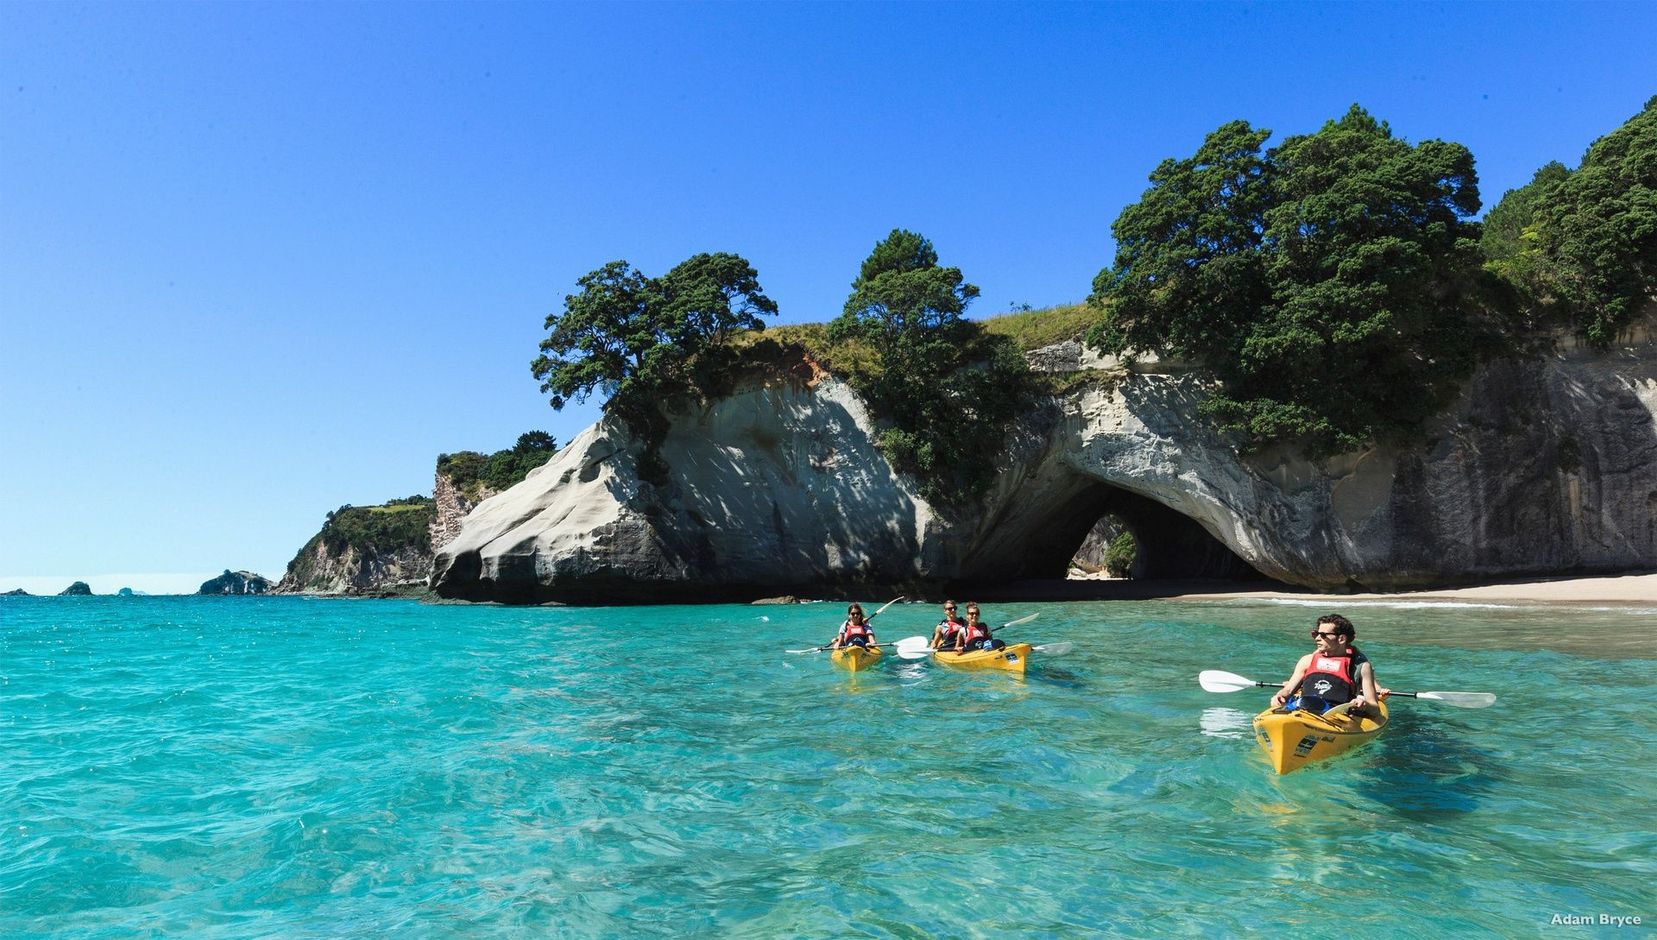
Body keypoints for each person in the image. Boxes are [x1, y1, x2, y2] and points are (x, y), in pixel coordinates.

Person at [1270, 614, 1385, 719]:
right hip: (1303, 710)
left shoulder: (1361, 667)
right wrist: (1279, 696)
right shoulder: (1307, 660)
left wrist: (1364, 705)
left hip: (1337, 717)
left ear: (1341, 639)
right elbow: (1288, 690)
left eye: (1323, 635)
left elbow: (1374, 709)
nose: (1317, 638)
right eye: (1316, 634)